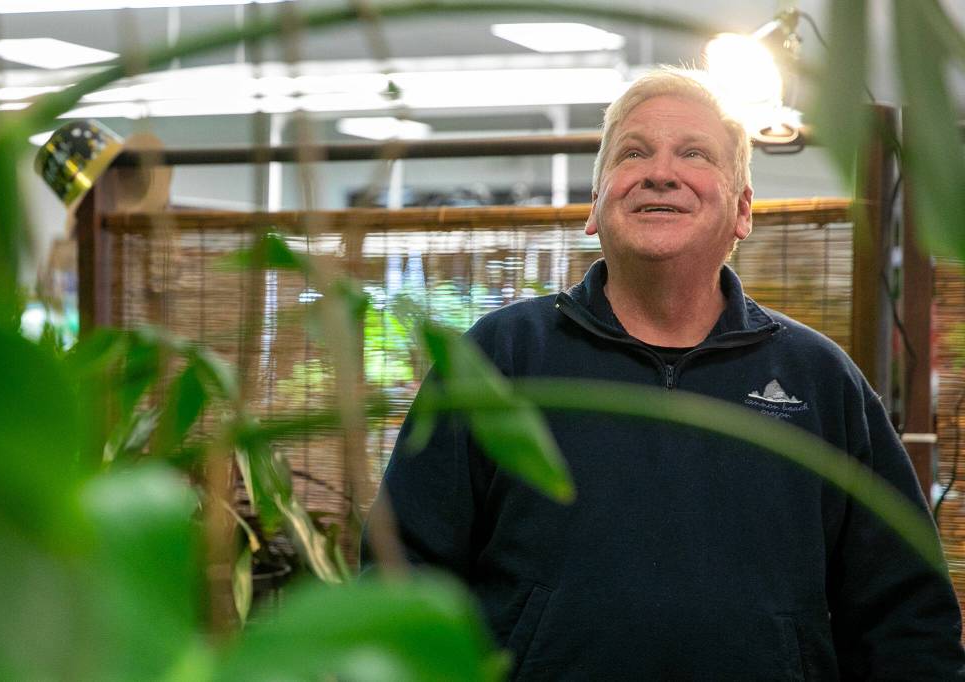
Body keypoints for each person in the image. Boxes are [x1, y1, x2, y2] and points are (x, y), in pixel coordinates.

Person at [363, 70, 965, 680]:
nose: (660, 173)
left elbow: (906, 619)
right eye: (633, 152)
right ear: (596, 205)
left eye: (694, 154)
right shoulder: (502, 358)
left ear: (743, 211)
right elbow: (402, 578)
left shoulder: (818, 379)